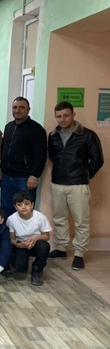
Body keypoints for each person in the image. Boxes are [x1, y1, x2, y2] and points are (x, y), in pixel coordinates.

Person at [47, 101, 104, 270]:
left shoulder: (87, 135)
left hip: (78, 184)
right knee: (59, 217)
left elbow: (98, 160)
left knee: (81, 221)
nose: (62, 119)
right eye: (59, 116)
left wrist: (84, 174)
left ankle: (79, 254)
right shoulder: (53, 136)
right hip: (57, 182)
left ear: (73, 115)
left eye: (66, 115)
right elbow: (53, 157)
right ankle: (61, 248)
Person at [0, 97, 47, 217]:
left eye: (22, 107)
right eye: (15, 107)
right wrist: (2, 170)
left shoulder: (36, 129)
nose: (17, 110)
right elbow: (4, 150)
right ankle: (9, 230)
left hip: (25, 178)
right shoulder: (9, 127)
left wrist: (34, 175)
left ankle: (25, 231)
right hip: (7, 177)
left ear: (28, 110)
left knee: (24, 210)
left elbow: (40, 154)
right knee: (6, 209)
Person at [6, 191, 51, 286]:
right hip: (21, 244)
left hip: (36, 243)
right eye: (19, 204)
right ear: (15, 207)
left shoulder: (40, 217)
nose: (23, 207)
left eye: (26, 204)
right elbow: (11, 239)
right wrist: (19, 244)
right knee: (20, 268)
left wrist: (35, 238)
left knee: (44, 245)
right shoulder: (11, 219)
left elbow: (46, 236)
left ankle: (37, 269)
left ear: (32, 205)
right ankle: (18, 262)